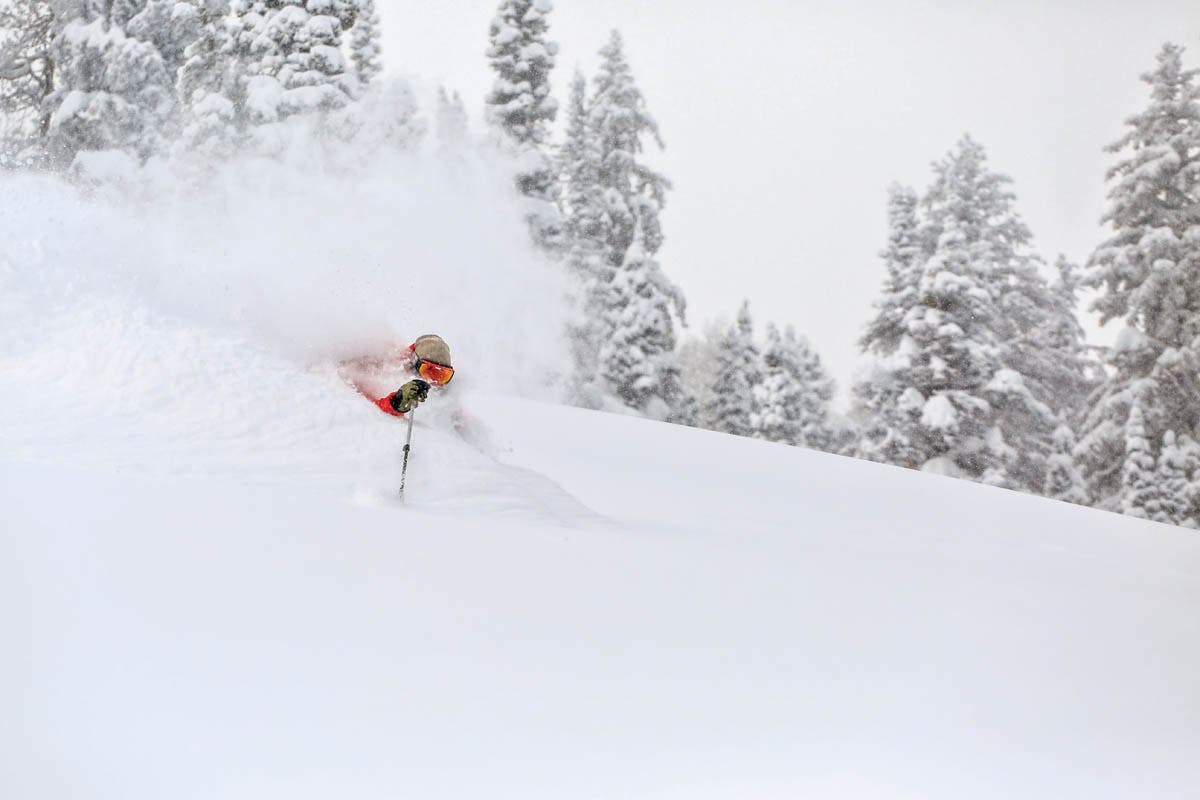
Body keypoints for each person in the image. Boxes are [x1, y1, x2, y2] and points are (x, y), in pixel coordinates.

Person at [340, 334, 455, 417]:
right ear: (414, 361)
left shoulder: (448, 395)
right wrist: (397, 401)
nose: (432, 380)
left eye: (442, 375)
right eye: (427, 370)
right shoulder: (386, 365)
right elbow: (365, 403)